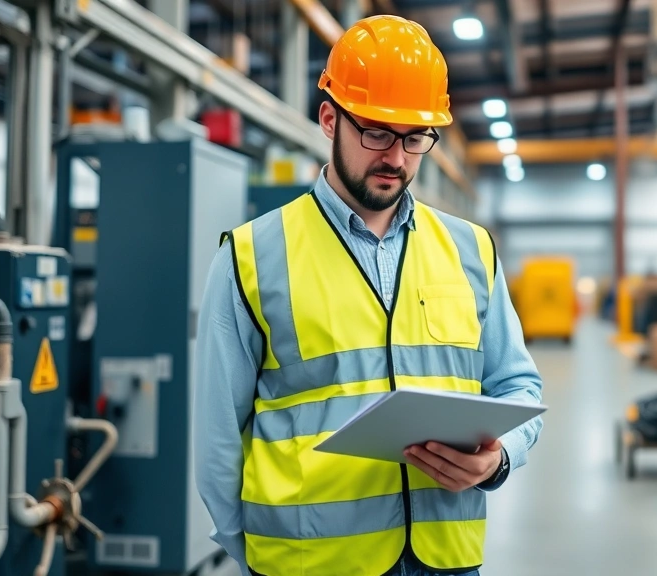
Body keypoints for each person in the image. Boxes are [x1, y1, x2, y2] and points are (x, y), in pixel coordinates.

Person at [193, 15, 544, 576]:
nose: (397, 158)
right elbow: (217, 441)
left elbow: (518, 386)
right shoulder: (252, 256)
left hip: (445, 559)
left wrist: (499, 460)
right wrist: (255, 558)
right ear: (329, 119)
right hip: (310, 563)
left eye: (415, 138)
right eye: (377, 133)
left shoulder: (471, 250)